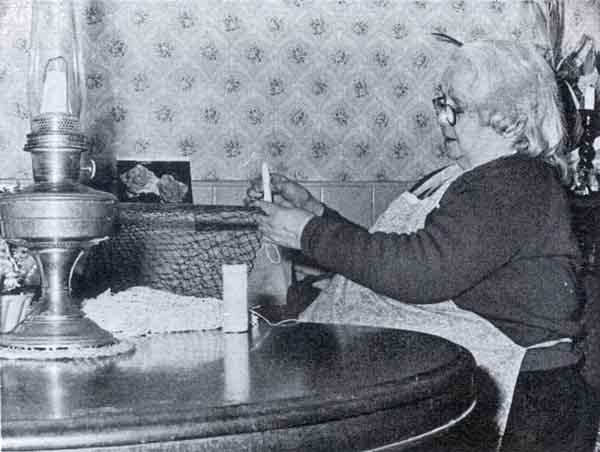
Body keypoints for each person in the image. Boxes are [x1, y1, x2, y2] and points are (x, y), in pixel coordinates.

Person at [247, 40, 599, 452]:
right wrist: (316, 212)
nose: (442, 119)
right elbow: (398, 251)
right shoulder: (457, 177)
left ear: (508, 119)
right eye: (440, 103)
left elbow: (421, 271)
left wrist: (309, 232)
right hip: (477, 377)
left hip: (527, 404)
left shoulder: (515, 183)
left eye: (456, 108)